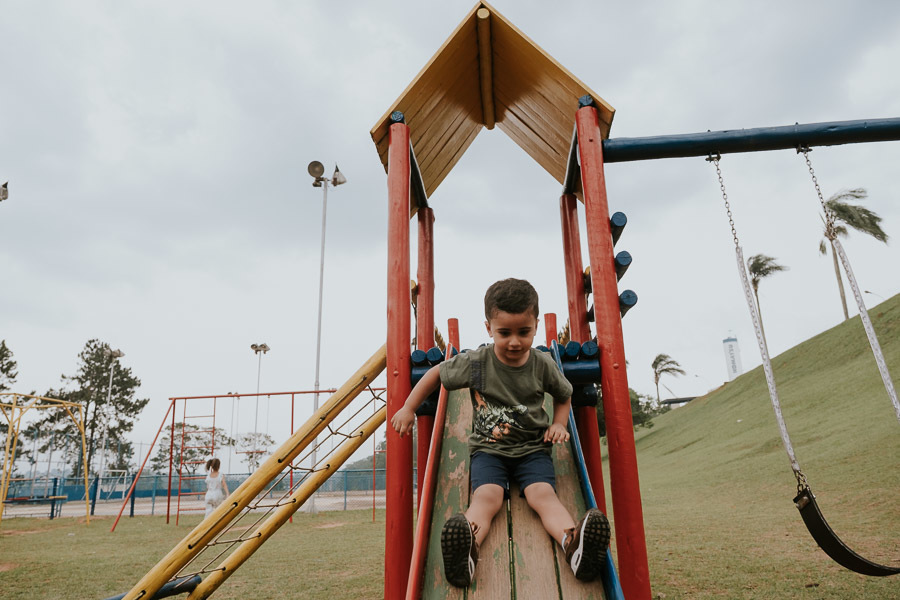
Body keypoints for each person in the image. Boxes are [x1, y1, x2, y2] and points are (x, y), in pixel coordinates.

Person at [391, 278, 610, 588]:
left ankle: (573, 546)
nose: (514, 342)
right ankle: (467, 550)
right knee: (487, 497)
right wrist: (408, 407)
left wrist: (559, 423)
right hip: (489, 451)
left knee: (543, 495)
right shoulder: (477, 363)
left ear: (536, 326)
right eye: (504, 333)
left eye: (524, 332)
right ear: (488, 328)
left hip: (532, 449)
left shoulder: (542, 364)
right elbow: (436, 373)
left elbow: (564, 394)